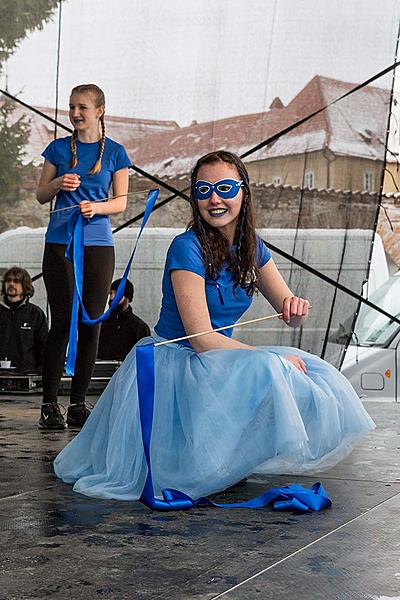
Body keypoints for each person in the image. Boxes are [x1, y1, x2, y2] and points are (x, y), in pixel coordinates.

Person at [54, 151, 375, 502]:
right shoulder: (186, 248)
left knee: (315, 369)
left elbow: (288, 309)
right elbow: (202, 339)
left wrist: (295, 308)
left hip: (214, 361)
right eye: (204, 190)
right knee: (270, 365)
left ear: (244, 193)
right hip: (175, 360)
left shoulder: (253, 248)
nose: (214, 198)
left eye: (224, 187)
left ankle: (229, 458)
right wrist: (274, 361)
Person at [36, 83, 131, 431]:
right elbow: (39, 194)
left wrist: (98, 206)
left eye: (83, 108)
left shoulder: (117, 152)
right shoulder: (58, 148)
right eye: (72, 107)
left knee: (92, 321)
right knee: (62, 321)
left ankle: (77, 404)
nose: (76, 113)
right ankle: (49, 405)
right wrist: (59, 182)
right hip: (60, 242)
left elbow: (121, 202)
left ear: (99, 111)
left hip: (98, 243)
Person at [0, 267, 48, 373]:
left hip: (27, 375)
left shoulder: (35, 314)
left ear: (25, 285)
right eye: (8, 280)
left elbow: (44, 347)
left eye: (16, 281)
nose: (11, 284)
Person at [97, 278, 150, 361]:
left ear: (127, 297)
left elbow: (145, 360)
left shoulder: (139, 327)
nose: (112, 298)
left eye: (117, 293)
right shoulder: (101, 324)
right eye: (111, 293)